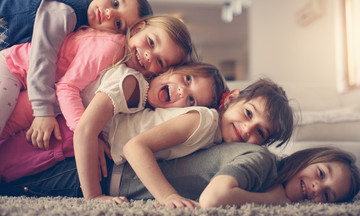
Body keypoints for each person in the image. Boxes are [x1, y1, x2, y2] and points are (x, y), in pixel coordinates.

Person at [1, 77, 294, 208]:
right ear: (230, 98)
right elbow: (134, 147)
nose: (247, 130)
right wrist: (166, 197)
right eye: (247, 114)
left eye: (260, 133)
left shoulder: (216, 138)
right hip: (94, 153)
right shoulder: (204, 120)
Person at [0, 61, 227, 182]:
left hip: (64, 126)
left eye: (190, 100)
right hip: (45, 109)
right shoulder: (130, 82)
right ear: (171, 69)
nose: (180, 91)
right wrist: (94, 197)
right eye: (187, 79)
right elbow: (85, 130)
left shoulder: (146, 105)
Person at [1, 15, 197, 148]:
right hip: (14, 66)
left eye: (160, 61)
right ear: (138, 28)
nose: (148, 55)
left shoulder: (124, 62)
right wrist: (88, 137)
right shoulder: (109, 48)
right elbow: (67, 87)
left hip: (32, 84)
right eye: (151, 43)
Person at [0, 0, 153, 138]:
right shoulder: (65, 11)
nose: (109, 13)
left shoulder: (96, 35)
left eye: (118, 23)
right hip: (11, 63)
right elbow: (43, 54)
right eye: (115, 4)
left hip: (16, 66)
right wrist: (43, 112)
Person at [1, 144, 358, 207]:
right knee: (9, 185)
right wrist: (273, 200)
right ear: (310, 158)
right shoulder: (262, 162)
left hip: (113, 178)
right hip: (107, 173)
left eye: (326, 195)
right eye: (321, 173)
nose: (316, 188)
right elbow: (212, 200)